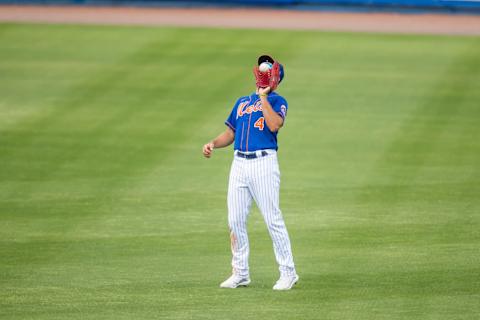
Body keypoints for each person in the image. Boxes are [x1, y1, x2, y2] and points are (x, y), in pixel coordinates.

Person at [202, 55, 298, 290]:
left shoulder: (277, 101)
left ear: (275, 77)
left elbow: (274, 125)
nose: (262, 72)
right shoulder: (242, 102)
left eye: (268, 69)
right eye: (261, 68)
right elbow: (231, 133)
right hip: (239, 164)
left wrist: (264, 97)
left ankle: (288, 272)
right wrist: (213, 143)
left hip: (263, 163)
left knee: (272, 219)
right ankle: (240, 272)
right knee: (234, 220)